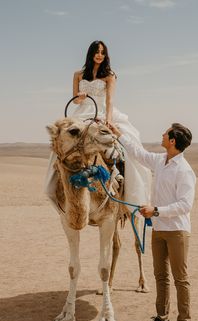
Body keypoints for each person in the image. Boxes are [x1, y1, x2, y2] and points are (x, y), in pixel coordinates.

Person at [108, 122, 196, 321]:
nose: (162, 134)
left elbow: (185, 205)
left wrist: (156, 210)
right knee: (160, 276)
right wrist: (119, 134)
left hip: (177, 231)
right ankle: (162, 319)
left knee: (180, 279)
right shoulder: (160, 160)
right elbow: (139, 154)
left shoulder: (184, 170)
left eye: (165, 133)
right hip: (158, 230)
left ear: (173, 141)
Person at [44, 40, 151, 212]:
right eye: (97, 52)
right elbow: (76, 100)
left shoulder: (110, 75)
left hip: (102, 112)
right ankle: (54, 186)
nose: (100, 55)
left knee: (129, 141)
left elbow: (110, 100)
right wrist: (80, 96)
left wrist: (108, 120)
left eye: (103, 52)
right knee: (63, 144)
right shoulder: (78, 74)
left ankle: (126, 186)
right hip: (81, 113)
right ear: (91, 53)